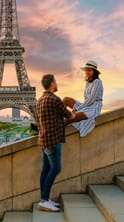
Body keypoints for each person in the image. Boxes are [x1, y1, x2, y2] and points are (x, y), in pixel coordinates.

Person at [36, 74, 76, 212]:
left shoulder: (40, 100)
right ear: (52, 83)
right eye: (56, 81)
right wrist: (74, 113)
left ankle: (44, 199)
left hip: (43, 140)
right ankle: (44, 200)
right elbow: (69, 115)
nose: (57, 83)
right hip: (53, 140)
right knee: (56, 169)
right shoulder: (54, 99)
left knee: (45, 170)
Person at [63, 60, 103, 137]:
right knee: (66, 100)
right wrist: (79, 108)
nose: (87, 72)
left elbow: (91, 100)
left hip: (94, 107)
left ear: (94, 71)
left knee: (70, 117)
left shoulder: (97, 82)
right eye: (86, 70)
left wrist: (77, 109)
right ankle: (55, 119)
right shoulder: (88, 82)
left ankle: (57, 129)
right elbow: (86, 99)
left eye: (89, 70)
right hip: (86, 105)